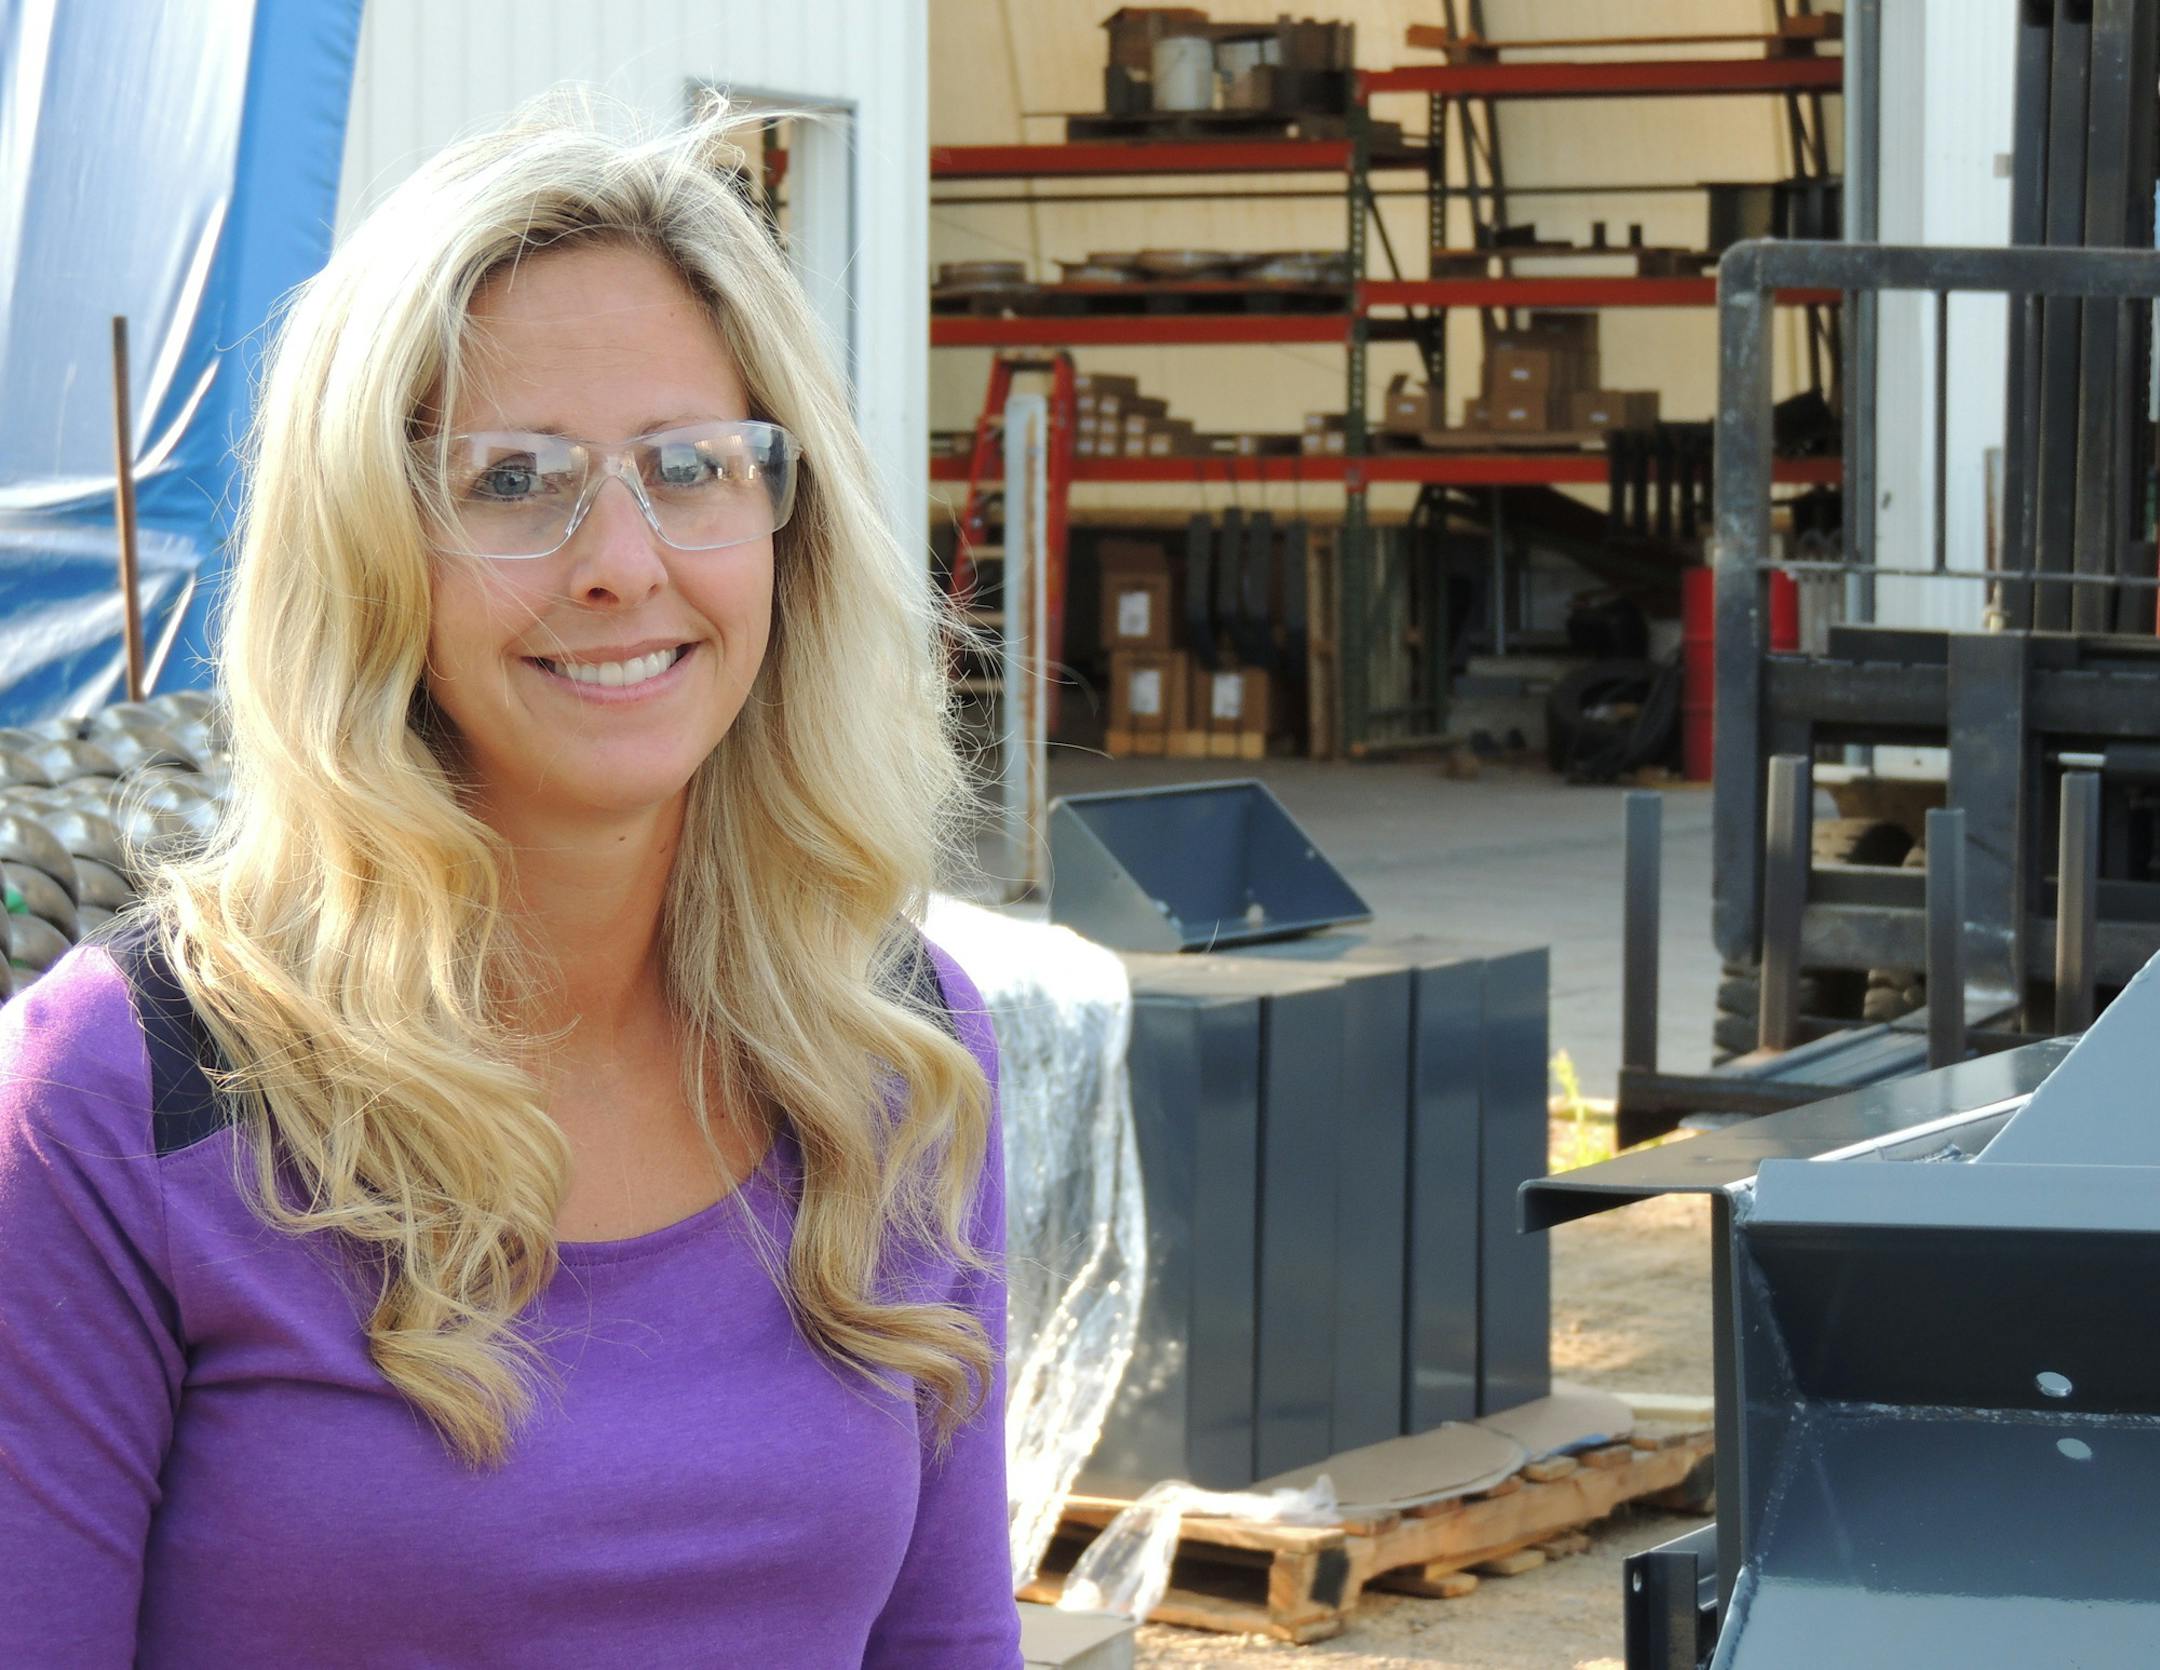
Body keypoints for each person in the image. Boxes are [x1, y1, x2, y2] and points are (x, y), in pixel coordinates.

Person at [0, 98, 1022, 1667]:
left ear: (783, 524)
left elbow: (948, 1644)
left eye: (690, 464)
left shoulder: (892, 1050)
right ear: (366, 548)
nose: (622, 558)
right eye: (510, 479)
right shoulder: (131, 1092)